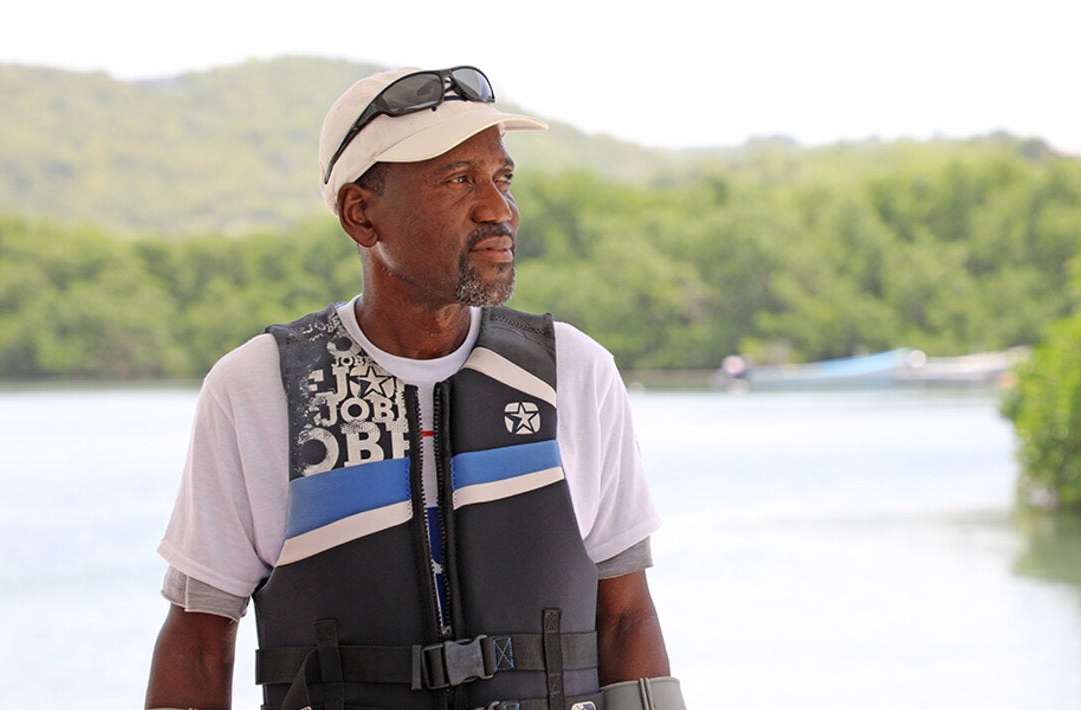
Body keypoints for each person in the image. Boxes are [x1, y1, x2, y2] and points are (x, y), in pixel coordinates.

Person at [145, 65, 684, 710]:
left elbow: (625, 616)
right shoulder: (259, 388)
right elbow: (201, 638)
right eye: (458, 181)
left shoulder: (574, 371)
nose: (498, 209)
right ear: (361, 215)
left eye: (501, 177)